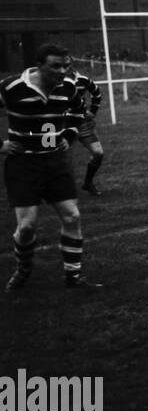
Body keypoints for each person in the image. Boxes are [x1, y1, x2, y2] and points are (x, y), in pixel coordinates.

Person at [1, 44, 100, 290]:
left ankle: (73, 277)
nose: (63, 70)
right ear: (39, 65)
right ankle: (23, 269)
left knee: (72, 216)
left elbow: (78, 111)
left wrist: (68, 135)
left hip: (54, 162)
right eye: (56, 65)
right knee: (26, 227)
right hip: (23, 164)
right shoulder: (12, 87)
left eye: (66, 65)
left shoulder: (67, 87)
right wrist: (0, 145)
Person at [67, 65, 105, 196]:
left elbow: (96, 93)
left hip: (83, 123)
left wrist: (93, 111)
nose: (64, 67)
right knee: (58, 158)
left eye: (67, 64)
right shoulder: (52, 81)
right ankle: (54, 190)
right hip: (61, 124)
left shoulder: (83, 80)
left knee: (98, 153)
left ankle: (88, 183)